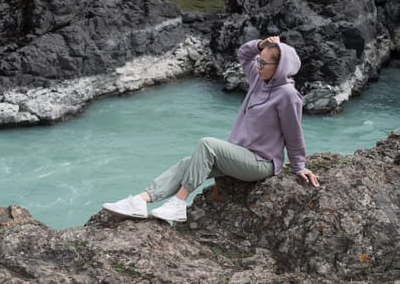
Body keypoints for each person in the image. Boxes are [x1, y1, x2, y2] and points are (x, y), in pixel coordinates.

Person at [102, 36, 320, 222]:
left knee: (207, 145)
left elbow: (294, 133)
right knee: (187, 163)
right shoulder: (258, 79)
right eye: (259, 62)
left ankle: (179, 203)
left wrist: (299, 165)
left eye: (264, 63)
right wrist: (260, 45)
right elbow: (243, 54)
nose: (258, 66)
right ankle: (141, 201)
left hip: (261, 163)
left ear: (279, 68)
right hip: (239, 154)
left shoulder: (288, 95)